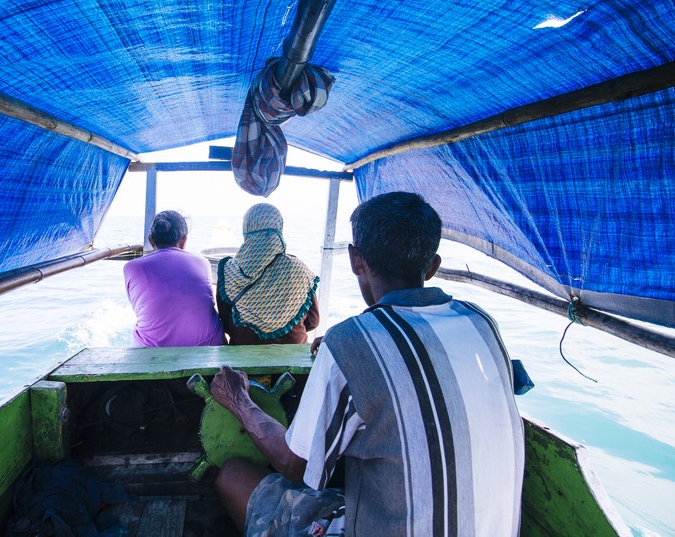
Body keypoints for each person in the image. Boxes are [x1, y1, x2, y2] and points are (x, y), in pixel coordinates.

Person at [210, 192, 525, 536]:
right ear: (432, 266)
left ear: (355, 259)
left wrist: (239, 400)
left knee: (233, 475)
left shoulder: (350, 341)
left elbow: (292, 463)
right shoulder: (482, 323)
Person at [216, 203, 319, 345]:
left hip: (242, 359)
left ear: (246, 230)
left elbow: (226, 325)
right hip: (292, 357)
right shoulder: (298, 269)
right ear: (279, 228)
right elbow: (313, 321)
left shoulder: (229, 271)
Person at [123, 210, 225, 347]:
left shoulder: (132, 267)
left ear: (151, 240)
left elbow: (141, 308)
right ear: (183, 241)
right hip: (208, 346)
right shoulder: (202, 263)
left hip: (152, 351)